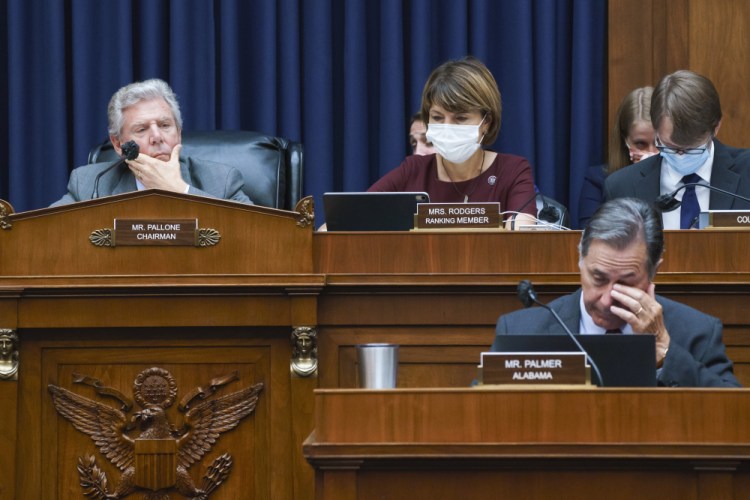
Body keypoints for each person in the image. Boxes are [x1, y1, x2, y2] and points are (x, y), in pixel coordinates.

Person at [491, 197, 740, 387]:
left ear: (654, 272)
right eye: (598, 278)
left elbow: (735, 418)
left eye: (626, 283)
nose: (608, 298)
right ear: (579, 261)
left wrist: (666, 354)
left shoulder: (697, 332)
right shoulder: (521, 332)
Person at [369, 57, 536, 228]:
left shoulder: (513, 170)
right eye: (437, 117)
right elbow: (359, 213)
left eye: (460, 118)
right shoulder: (414, 170)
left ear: (486, 122)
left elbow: (522, 237)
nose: (447, 127)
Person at [51, 79, 251, 206]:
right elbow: (46, 232)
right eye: (141, 129)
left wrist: (180, 191)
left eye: (165, 125)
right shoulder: (89, 184)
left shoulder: (221, 181)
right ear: (118, 144)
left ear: (179, 133)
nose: (157, 137)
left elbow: (258, 234)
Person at [604, 70, 750, 229]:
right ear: (656, 128)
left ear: (716, 128)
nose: (681, 156)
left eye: (692, 149)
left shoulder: (746, 173)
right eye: (670, 147)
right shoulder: (622, 187)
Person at [578, 87, 657, 228]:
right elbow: (590, 237)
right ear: (624, 140)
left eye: (658, 143)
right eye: (641, 144)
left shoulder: (679, 180)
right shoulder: (597, 180)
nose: (652, 152)